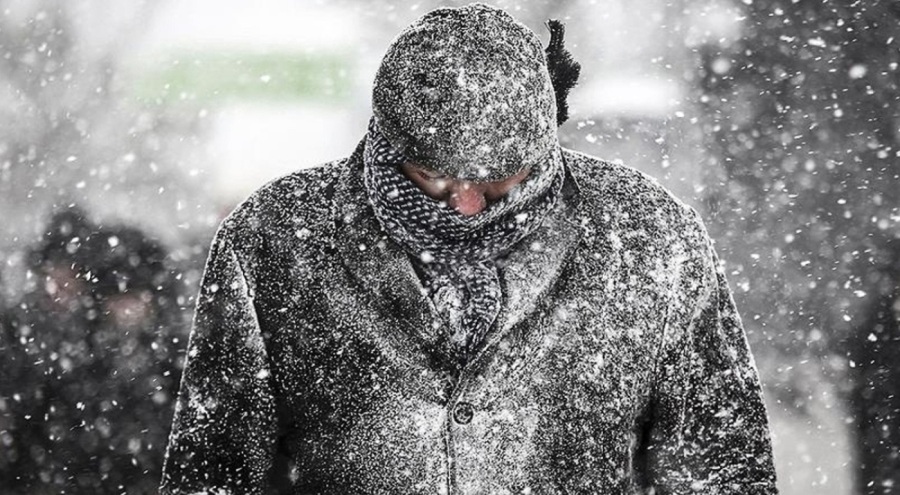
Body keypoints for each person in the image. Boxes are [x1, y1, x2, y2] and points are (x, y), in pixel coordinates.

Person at [161, 4, 778, 493]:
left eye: (496, 181)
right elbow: (212, 471)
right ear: (386, 142)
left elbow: (719, 465)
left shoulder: (649, 240)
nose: (466, 205)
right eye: (433, 177)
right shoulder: (276, 239)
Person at [0, 206, 184, 494]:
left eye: (135, 294)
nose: (127, 309)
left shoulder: (176, 360)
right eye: (117, 295)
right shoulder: (69, 358)